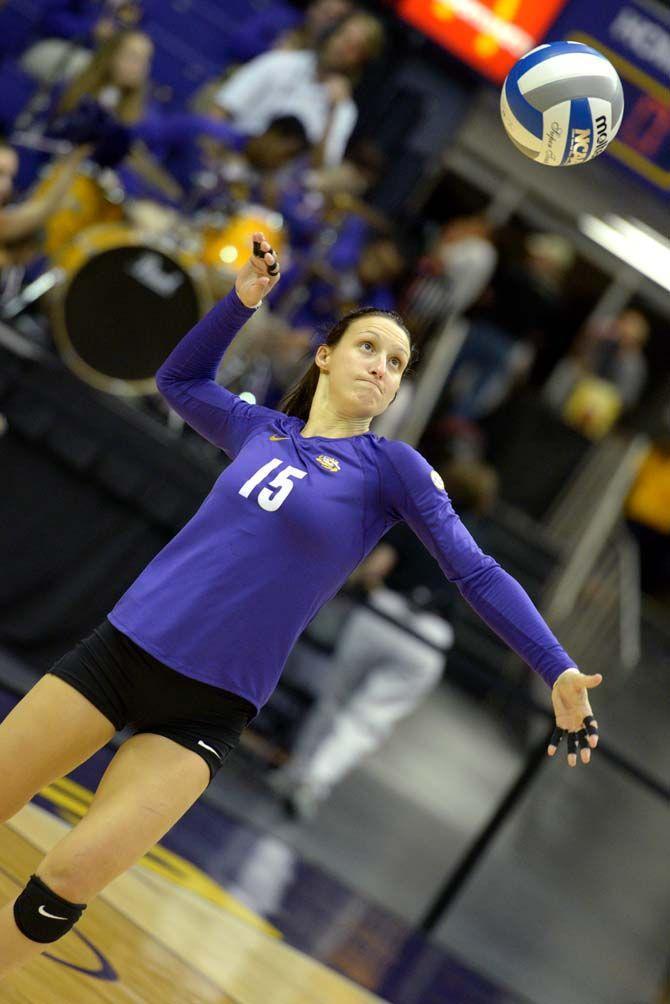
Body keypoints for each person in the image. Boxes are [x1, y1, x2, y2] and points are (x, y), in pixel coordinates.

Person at [0, 232, 601, 980]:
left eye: (396, 363)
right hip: (121, 654)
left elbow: (475, 572)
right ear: (325, 355)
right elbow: (179, 380)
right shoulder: (261, 429)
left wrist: (557, 668)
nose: (382, 368)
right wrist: (238, 303)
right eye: (369, 349)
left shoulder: (392, 469)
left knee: (69, 879)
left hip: (208, 709)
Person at [269, 458, 498, 820]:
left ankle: (294, 772)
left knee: (335, 696)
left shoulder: (416, 517)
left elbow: (376, 567)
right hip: (429, 637)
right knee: (367, 719)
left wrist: (358, 585)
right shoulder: (477, 541)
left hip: (382, 613)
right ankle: (314, 781)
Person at [211, 11, 385, 166]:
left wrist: (333, 113)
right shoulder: (280, 62)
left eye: (353, 48)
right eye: (342, 36)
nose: (341, 48)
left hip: (271, 186)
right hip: (231, 153)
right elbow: (220, 109)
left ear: (361, 61)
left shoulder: (344, 110)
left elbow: (320, 170)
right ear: (330, 34)